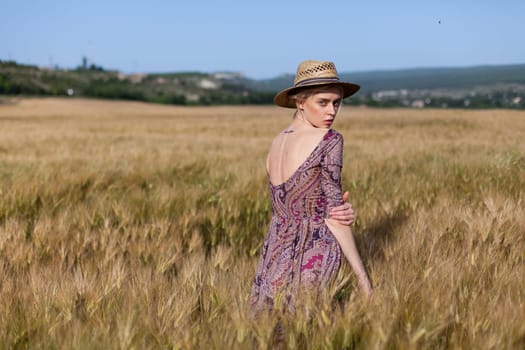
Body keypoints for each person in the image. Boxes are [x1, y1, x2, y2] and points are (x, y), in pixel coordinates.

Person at [249, 60, 373, 313]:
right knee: (308, 327)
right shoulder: (329, 140)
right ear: (300, 102)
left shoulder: (276, 142)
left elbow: (287, 204)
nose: (332, 111)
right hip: (314, 249)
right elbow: (335, 218)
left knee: (269, 327)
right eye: (323, 102)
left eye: (336, 102)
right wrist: (364, 280)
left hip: (275, 250)